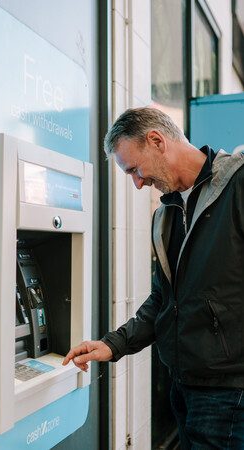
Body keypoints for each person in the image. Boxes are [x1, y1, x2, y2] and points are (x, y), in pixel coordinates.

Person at [63, 107, 244, 449]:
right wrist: (113, 344)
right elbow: (164, 299)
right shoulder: (166, 215)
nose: (138, 183)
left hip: (230, 392)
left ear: (157, 141)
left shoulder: (237, 185)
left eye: (134, 169)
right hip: (184, 388)